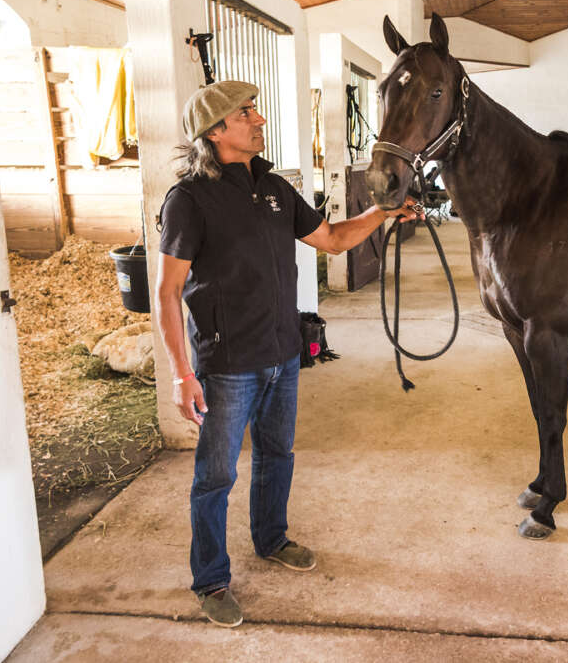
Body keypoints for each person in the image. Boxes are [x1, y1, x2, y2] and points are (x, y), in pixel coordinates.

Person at [156, 80, 418, 627]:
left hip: (281, 351)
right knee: (215, 477)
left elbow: (333, 240)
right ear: (216, 130)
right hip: (228, 364)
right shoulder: (189, 200)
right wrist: (183, 374)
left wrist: (384, 213)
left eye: (255, 109)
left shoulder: (273, 188)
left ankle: (271, 539)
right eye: (247, 112)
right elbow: (166, 292)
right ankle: (210, 580)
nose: (260, 119)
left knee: (278, 456)